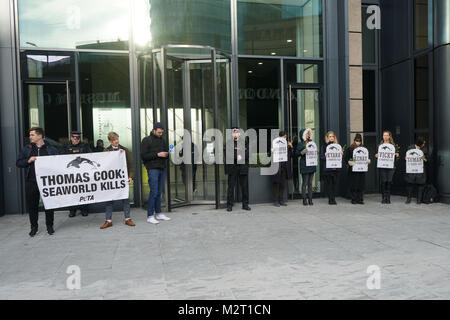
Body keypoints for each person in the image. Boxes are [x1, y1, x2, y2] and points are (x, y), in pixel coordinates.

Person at [16, 127, 58, 237]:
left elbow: (58, 163)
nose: (30, 137)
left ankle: (50, 226)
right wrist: (28, 160)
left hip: (47, 182)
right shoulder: (26, 149)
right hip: (32, 181)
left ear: (40, 136)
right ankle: (34, 227)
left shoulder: (51, 149)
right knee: (32, 205)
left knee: (49, 204)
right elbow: (18, 163)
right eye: (30, 135)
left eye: (32, 135)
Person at [100, 132, 136, 229]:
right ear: (110, 141)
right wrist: (112, 154)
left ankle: (127, 218)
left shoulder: (125, 150)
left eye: (117, 139)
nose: (116, 141)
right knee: (109, 200)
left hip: (122, 179)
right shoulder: (106, 151)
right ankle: (108, 220)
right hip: (111, 180)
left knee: (125, 199)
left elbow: (131, 165)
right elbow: (103, 164)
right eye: (114, 140)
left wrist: (130, 177)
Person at [141, 123, 171, 224]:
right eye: (159, 132)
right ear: (154, 130)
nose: (160, 134)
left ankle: (159, 213)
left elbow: (166, 154)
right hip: (152, 169)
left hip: (162, 168)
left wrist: (166, 154)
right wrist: (158, 154)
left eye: (162, 132)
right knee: (153, 191)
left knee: (158, 192)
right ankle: (150, 215)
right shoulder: (146, 140)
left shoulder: (163, 140)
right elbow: (144, 156)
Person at [63, 131, 92, 217]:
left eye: (78, 138)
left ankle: (84, 209)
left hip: (82, 173)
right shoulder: (66, 147)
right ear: (71, 138)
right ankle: (72, 210)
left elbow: (91, 155)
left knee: (83, 190)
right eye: (74, 138)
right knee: (72, 191)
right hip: (71, 174)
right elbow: (61, 158)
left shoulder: (85, 146)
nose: (76, 140)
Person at [225, 127, 251, 212]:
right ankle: (229, 205)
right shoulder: (228, 143)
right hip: (233, 168)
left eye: (237, 132)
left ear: (239, 134)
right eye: (233, 132)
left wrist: (241, 156)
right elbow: (228, 154)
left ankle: (245, 204)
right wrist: (237, 157)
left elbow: (248, 154)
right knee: (231, 187)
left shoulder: (244, 142)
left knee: (244, 187)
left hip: (242, 167)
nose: (235, 134)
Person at [344, 134, 370, 205]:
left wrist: (367, 161)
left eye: (359, 141)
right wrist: (349, 162)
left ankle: (360, 199)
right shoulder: (350, 148)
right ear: (354, 140)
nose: (358, 142)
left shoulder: (364, 149)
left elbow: (366, 157)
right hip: (353, 170)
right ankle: (353, 199)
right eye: (356, 141)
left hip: (361, 170)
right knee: (353, 184)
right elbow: (346, 158)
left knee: (361, 184)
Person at [375, 131, 400, 204]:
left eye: (386, 135)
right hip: (382, 166)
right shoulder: (380, 145)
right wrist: (376, 156)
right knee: (383, 182)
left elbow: (397, 157)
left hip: (391, 167)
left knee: (389, 182)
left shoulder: (393, 145)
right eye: (384, 135)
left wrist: (397, 155)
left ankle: (388, 198)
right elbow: (377, 155)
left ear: (389, 136)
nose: (385, 137)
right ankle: (383, 198)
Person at [320, 131, 343, 205]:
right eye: (330, 136)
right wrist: (325, 156)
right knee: (329, 184)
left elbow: (339, 158)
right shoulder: (324, 146)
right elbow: (321, 157)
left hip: (336, 168)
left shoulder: (337, 146)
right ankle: (330, 199)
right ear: (327, 137)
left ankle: (333, 198)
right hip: (328, 169)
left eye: (332, 136)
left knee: (334, 184)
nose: (331, 138)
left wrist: (341, 154)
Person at [271, 131, 293, 207]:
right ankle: (276, 200)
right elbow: (269, 155)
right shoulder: (275, 143)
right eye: (284, 137)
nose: (285, 138)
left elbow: (291, 155)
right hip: (277, 167)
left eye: (285, 137)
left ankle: (281, 200)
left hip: (284, 167)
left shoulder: (286, 145)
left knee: (282, 184)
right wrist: (271, 151)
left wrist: (291, 147)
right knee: (276, 184)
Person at [296, 128, 317, 206]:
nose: (308, 135)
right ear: (303, 135)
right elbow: (297, 154)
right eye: (307, 133)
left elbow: (314, 151)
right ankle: (304, 199)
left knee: (310, 183)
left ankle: (310, 199)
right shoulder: (300, 143)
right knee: (305, 183)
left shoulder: (312, 142)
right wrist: (302, 152)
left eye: (309, 133)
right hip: (304, 165)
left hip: (311, 164)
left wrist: (316, 152)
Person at [404, 137, 427, 205]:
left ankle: (419, 200)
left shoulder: (424, 150)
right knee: (409, 184)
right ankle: (409, 198)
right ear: (420, 144)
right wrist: (405, 158)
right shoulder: (410, 148)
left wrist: (424, 159)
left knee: (420, 184)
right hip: (411, 170)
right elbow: (406, 157)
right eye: (423, 143)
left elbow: (426, 160)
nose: (424, 145)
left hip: (420, 170)